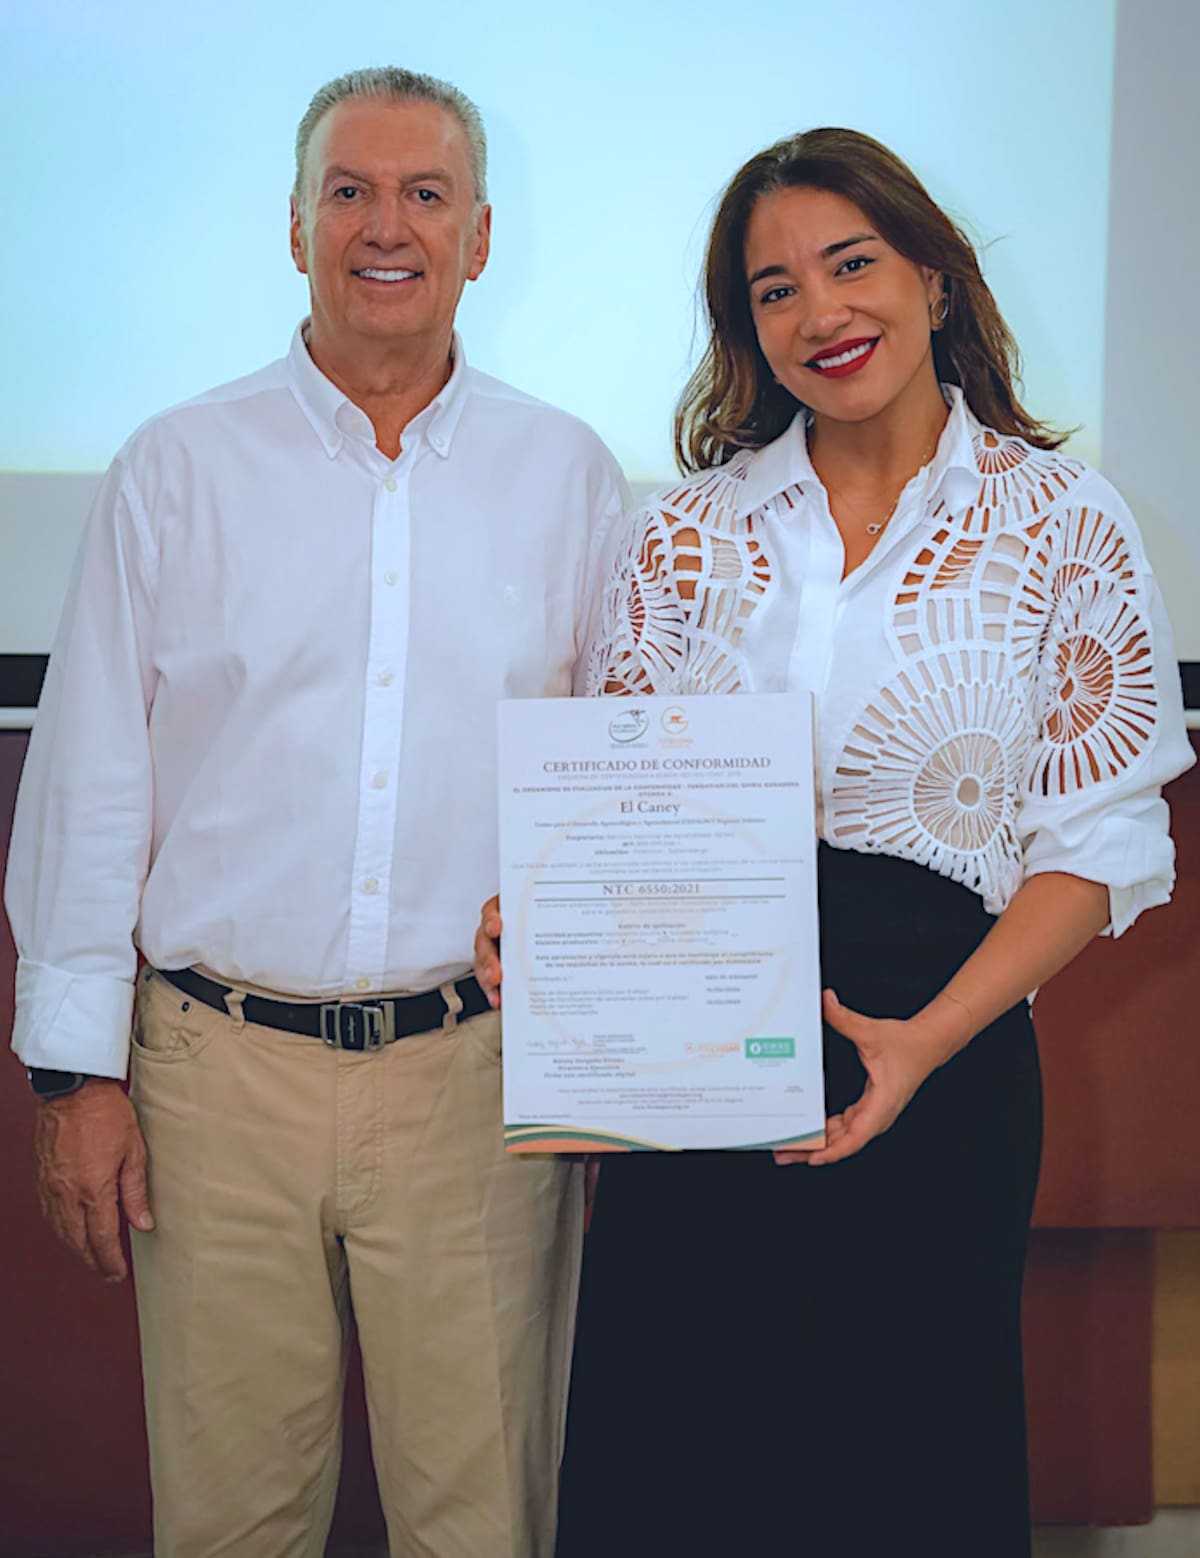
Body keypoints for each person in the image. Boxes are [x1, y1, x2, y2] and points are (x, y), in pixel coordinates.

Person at [473, 128, 1194, 1557]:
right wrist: (539, 919)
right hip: (692, 1076)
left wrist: (927, 1037)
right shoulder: (681, 534)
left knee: (906, 1475)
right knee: (679, 1470)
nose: (821, 312)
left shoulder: (1063, 521)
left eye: (852, 263)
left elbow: (1105, 842)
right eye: (774, 289)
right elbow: (621, 811)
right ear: (749, 331)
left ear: (934, 280)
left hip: (942, 1062)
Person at [6, 66, 624, 1558]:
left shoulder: (572, 475)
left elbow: (625, 779)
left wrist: (617, 1040)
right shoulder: (177, 465)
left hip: (477, 1089)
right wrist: (71, 1076)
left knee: (482, 1522)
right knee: (230, 1524)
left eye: (426, 194)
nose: (385, 224)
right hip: (214, 1081)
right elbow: (93, 776)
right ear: (294, 229)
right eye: (349, 191)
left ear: (481, 237)